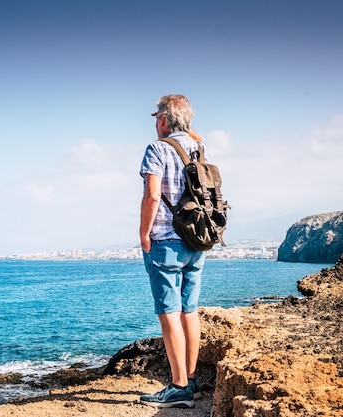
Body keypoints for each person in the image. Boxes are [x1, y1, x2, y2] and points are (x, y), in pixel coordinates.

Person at [138, 94, 205, 408]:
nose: (154, 122)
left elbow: (152, 195)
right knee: (190, 311)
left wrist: (143, 233)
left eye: (156, 117)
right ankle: (190, 379)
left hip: (166, 241)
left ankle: (179, 387)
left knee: (169, 314)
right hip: (196, 240)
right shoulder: (198, 148)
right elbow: (195, 135)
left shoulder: (157, 149)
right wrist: (186, 128)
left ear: (164, 120)